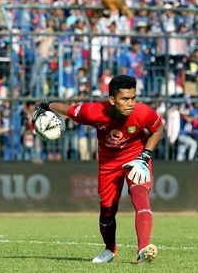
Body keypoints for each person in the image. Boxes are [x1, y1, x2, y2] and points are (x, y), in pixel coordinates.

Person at [33, 75, 163, 264]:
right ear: (112, 99)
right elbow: (69, 111)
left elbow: (158, 129)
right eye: (125, 99)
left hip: (137, 157)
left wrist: (145, 155)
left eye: (133, 98)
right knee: (107, 212)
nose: (131, 103)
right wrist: (45, 105)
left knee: (140, 194)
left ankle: (143, 250)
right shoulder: (92, 111)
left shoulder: (143, 112)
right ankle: (109, 249)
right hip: (108, 164)